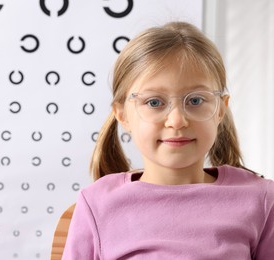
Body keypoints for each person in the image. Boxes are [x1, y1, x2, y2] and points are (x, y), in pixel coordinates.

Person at [62, 21, 274, 259]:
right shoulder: (96, 203)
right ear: (122, 114)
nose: (177, 120)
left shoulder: (262, 200)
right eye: (154, 102)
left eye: (195, 100)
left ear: (220, 110)